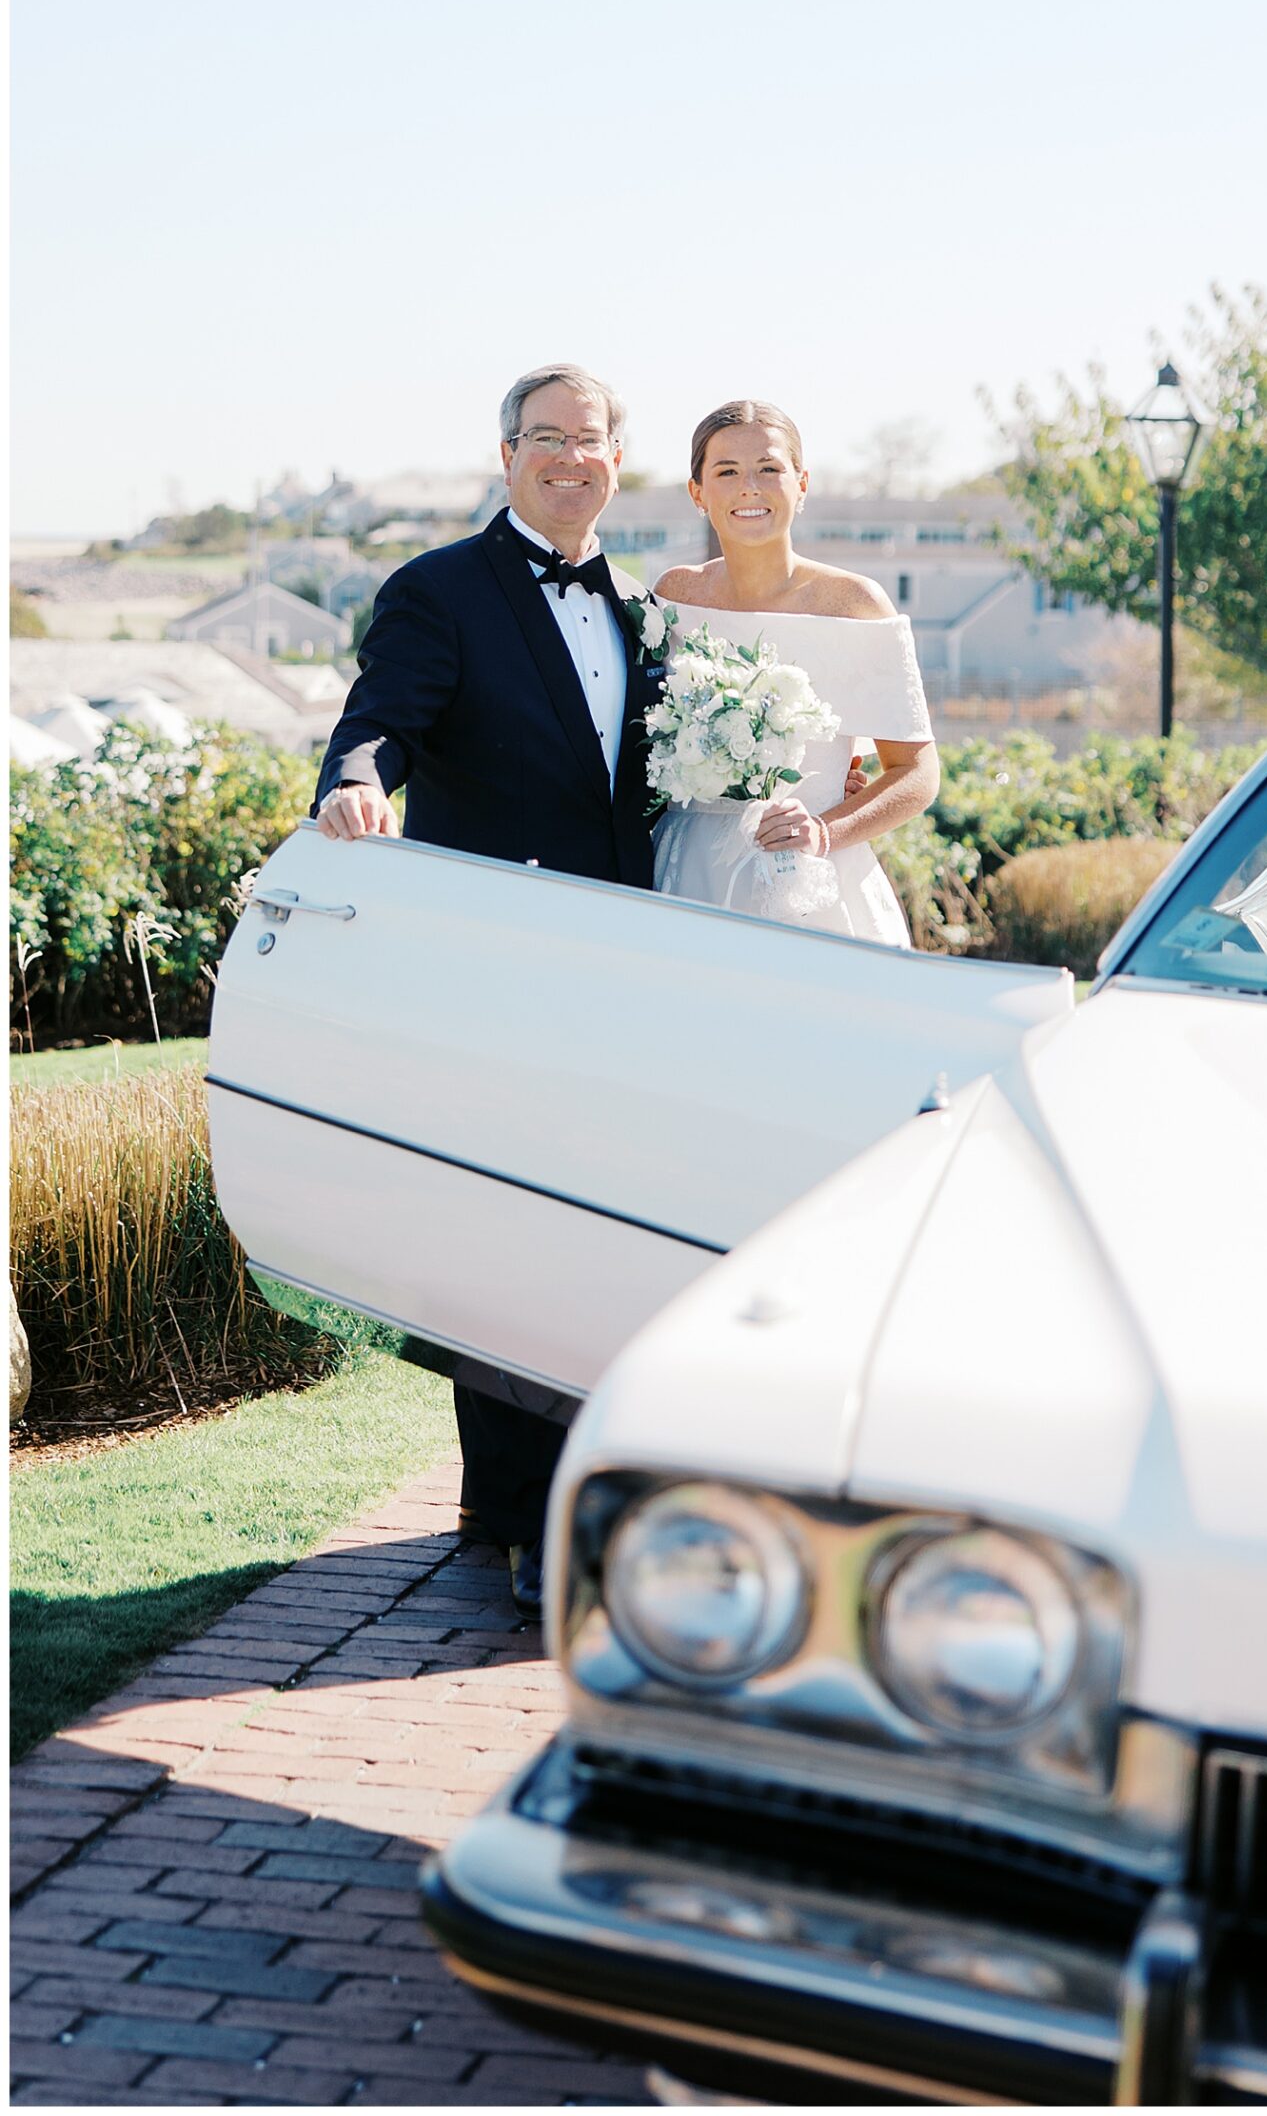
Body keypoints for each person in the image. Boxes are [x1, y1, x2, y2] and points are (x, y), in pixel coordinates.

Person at [312, 362, 662, 1616]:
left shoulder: (650, 604)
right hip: (501, 968)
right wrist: (357, 784)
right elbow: (377, 720)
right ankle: (517, 1516)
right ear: (505, 454)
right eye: (546, 438)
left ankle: (552, 1495)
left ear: (620, 458)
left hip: (635, 965)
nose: (570, 458)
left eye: (592, 439)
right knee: (513, 1235)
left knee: (606, 1232)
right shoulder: (437, 590)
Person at [651, 401, 939, 943]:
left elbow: (918, 774)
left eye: (769, 468)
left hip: (812, 881)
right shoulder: (674, 596)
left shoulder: (855, 604)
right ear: (697, 492)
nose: (750, 488)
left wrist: (824, 832)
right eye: (727, 472)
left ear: (801, 484)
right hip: (690, 872)